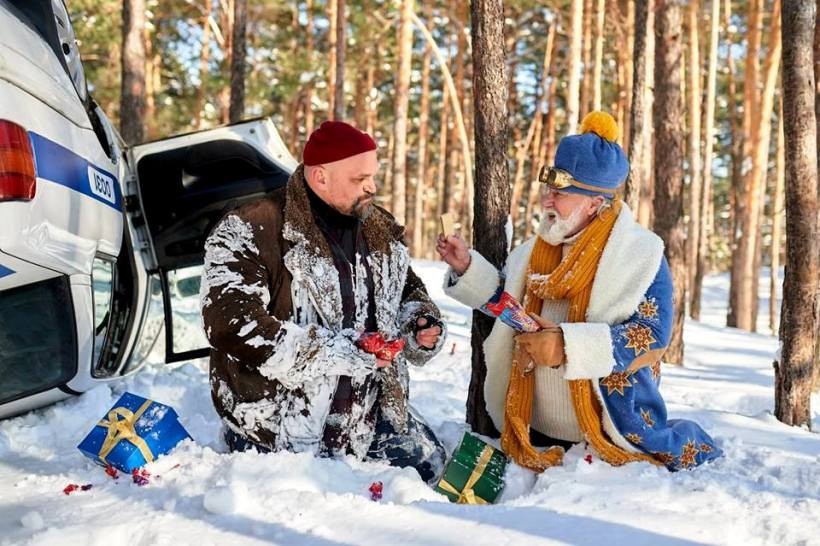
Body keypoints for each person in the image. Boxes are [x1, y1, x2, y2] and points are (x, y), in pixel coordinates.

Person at [437, 111, 721, 471]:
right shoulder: (533, 250)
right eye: (548, 191)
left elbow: (651, 336)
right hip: (534, 428)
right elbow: (509, 305)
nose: (546, 202)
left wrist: (568, 347)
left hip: (604, 427)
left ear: (594, 201)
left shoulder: (641, 255)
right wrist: (466, 267)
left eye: (560, 194)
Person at [201, 120, 447, 483]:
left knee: (433, 472)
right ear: (320, 178)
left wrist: (419, 324)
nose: (372, 187)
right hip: (276, 429)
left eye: (372, 176)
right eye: (359, 179)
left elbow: (407, 291)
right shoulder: (251, 227)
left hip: (367, 421)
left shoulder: (378, 228)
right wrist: (339, 351)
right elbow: (231, 324)